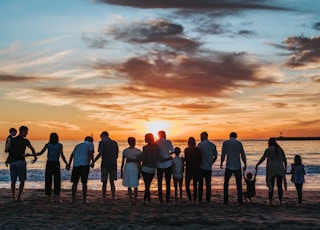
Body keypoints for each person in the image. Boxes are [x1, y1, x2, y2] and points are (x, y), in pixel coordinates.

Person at [36, 133, 68, 203]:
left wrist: (32, 155)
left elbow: (40, 153)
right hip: (55, 163)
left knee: (48, 180)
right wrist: (66, 163)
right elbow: (62, 156)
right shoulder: (59, 145)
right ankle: (56, 197)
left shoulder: (48, 145)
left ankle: (49, 197)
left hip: (50, 163)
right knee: (56, 181)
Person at [7, 126, 37, 201]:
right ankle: (19, 197)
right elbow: (32, 148)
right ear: (22, 131)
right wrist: (35, 157)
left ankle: (14, 197)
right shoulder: (25, 141)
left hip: (12, 162)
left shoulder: (13, 140)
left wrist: (8, 160)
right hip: (20, 161)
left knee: (13, 180)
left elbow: (8, 150)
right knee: (22, 180)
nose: (27, 133)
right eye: (26, 131)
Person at [255, 137, 287, 205]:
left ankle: (270, 201)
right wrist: (285, 169)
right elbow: (285, 160)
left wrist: (257, 165)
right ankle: (280, 201)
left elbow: (263, 158)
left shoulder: (269, 149)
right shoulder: (280, 149)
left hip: (271, 169)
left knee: (271, 185)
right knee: (279, 186)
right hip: (280, 169)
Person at [92, 131, 119, 205]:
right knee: (112, 182)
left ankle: (104, 200)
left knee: (104, 182)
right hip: (113, 164)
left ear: (103, 136)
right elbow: (117, 154)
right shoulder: (114, 143)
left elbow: (100, 153)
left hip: (105, 164)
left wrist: (93, 161)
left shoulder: (102, 142)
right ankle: (114, 200)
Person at [220, 132, 247, 205]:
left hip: (229, 165)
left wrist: (221, 162)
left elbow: (223, 154)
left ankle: (226, 200)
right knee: (239, 184)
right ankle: (240, 200)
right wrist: (245, 163)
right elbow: (242, 154)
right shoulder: (239, 143)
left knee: (226, 184)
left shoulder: (225, 143)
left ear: (230, 136)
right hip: (237, 165)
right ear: (236, 136)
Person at [67, 136, 94, 204]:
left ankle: (73, 199)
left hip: (76, 164)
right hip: (84, 164)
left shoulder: (78, 145)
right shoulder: (90, 144)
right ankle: (84, 200)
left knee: (75, 183)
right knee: (84, 182)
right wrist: (92, 162)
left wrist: (69, 164)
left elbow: (72, 155)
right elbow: (91, 153)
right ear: (90, 140)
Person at [120, 137, 142, 205]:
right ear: (134, 142)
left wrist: (121, 170)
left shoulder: (125, 151)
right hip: (134, 167)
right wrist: (139, 170)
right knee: (135, 185)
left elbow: (123, 162)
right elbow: (139, 162)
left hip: (127, 166)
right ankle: (134, 200)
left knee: (129, 185)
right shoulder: (138, 151)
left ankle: (131, 200)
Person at [198, 131, 218, 204]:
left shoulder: (200, 145)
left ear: (202, 137)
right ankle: (208, 200)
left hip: (201, 167)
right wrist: (211, 162)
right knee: (208, 184)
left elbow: (198, 156)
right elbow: (215, 156)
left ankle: (200, 199)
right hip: (208, 167)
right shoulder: (212, 145)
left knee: (200, 184)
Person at [156, 130, 174, 204]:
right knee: (168, 182)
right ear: (164, 135)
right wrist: (168, 155)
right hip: (168, 164)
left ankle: (161, 200)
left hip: (159, 164)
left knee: (159, 182)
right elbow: (173, 151)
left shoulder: (156, 142)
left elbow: (155, 153)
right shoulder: (168, 142)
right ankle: (167, 199)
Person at [141, 133, 160, 204]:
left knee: (147, 184)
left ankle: (146, 199)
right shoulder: (157, 147)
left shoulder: (145, 148)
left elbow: (143, 158)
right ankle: (147, 199)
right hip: (152, 168)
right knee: (148, 184)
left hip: (145, 167)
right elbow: (158, 157)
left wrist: (137, 158)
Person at [184, 137, 202, 204]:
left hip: (189, 168)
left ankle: (190, 199)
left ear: (188, 143)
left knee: (187, 185)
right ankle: (194, 199)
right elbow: (200, 159)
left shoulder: (186, 150)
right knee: (195, 185)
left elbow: (186, 159)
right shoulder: (198, 150)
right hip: (196, 168)